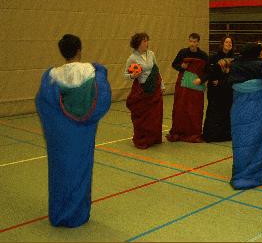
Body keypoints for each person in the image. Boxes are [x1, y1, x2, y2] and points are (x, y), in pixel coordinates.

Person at [35, 34, 111, 227]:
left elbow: (42, 103)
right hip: (82, 134)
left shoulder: (51, 77)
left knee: (59, 172)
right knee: (80, 170)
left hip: (60, 135)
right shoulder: (93, 72)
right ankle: (77, 214)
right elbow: (103, 98)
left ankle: (59, 214)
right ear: (79, 50)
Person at [228, 42, 262, 190]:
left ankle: (241, 170)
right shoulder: (259, 65)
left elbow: (230, 81)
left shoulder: (236, 64)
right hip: (258, 105)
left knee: (242, 139)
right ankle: (253, 172)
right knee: (260, 138)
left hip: (239, 106)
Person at [124, 33, 165, 149]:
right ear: (138, 44)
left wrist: (162, 85)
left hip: (155, 89)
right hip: (142, 91)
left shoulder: (151, 54)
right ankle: (142, 139)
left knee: (155, 116)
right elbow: (125, 75)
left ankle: (153, 138)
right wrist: (133, 76)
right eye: (144, 41)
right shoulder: (132, 58)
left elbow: (156, 69)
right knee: (142, 118)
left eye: (147, 40)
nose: (147, 43)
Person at [166, 33, 209, 143]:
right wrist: (181, 66)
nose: (192, 44)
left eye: (194, 42)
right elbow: (174, 64)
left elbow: (208, 71)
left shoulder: (203, 55)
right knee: (181, 107)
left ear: (198, 42)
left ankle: (193, 132)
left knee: (195, 109)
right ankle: (179, 131)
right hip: (183, 85)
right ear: (188, 41)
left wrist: (201, 80)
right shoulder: (183, 52)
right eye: (191, 41)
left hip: (196, 85)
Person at [203, 36, 236, 142]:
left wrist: (224, 78)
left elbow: (235, 74)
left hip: (228, 89)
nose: (229, 44)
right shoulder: (214, 57)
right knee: (214, 111)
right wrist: (216, 79)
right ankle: (211, 135)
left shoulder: (235, 58)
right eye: (226, 42)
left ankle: (226, 135)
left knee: (227, 112)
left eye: (230, 42)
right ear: (222, 44)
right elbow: (208, 71)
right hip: (215, 90)